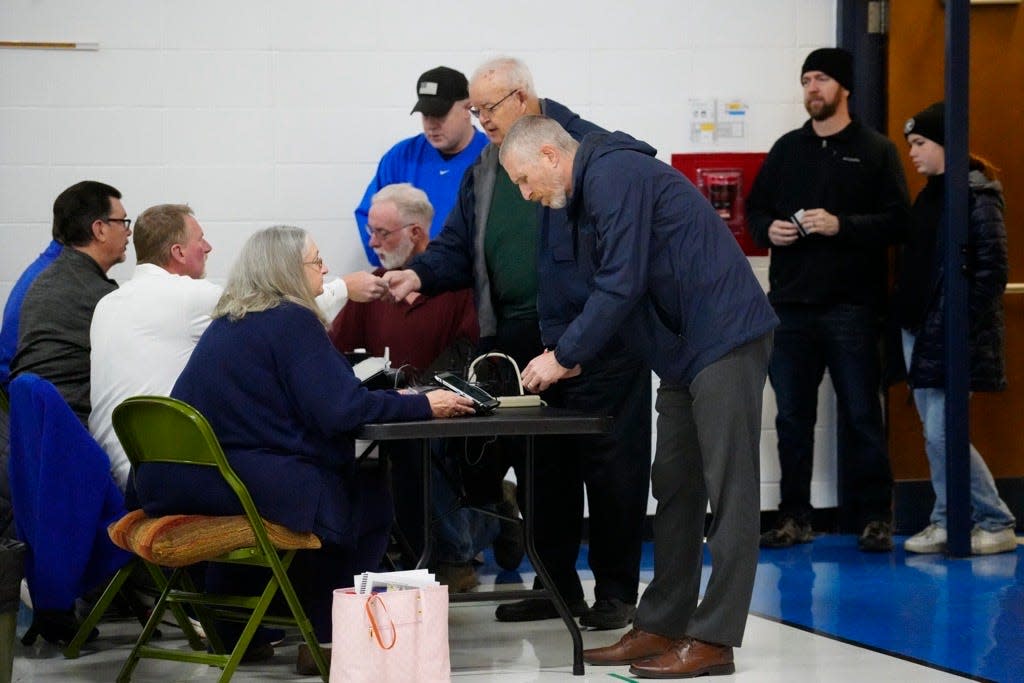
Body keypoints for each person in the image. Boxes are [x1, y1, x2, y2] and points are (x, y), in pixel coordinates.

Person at [498, 115, 777, 678]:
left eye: (525, 179)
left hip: (721, 334)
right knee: (674, 485)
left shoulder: (614, 173)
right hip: (679, 349)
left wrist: (565, 355)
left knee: (731, 490)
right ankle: (662, 624)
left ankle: (716, 637)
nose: (525, 194)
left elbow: (620, 280)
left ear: (551, 155)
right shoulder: (585, 196)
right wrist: (561, 347)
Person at [385, 56, 652, 630]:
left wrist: (579, 339)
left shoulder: (582, 148)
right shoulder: (486, 167)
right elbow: (457, 245)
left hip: (599, 336)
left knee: (612, 466)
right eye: (474, 111)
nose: (480, 120)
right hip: (522, 340)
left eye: (487, 109)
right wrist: (421, 274)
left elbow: (619, 256)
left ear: (523, 97)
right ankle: (555, 587)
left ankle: (615, 592)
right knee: (542, 470)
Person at [131, 225, 474, 672]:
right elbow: (341, 409)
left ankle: (238, 631)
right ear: (286, 270)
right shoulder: (289, 319)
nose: (327, 268)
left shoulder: (230, 320)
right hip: (228, 482)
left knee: (308, 490)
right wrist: (424, 405)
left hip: (175, 481)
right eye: (316, 260)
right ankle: (328, 642)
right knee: (367, 497)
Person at [747, 47, 911, 552]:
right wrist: (768, 230)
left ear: (843, 88)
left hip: (852, 309)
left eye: (821, 79)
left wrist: (843, 226)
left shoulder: (876, 150)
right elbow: (755, 213)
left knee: (863, 414)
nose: (812, 88)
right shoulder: (786, 150)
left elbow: (898, 221)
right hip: (791, 307)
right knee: (792, 419)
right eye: (806, 80)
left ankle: (874, 517)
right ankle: (795, 516)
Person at [330, 183, 502, 592]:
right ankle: (458, 542)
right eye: (371, 232)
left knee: (421, 452)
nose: (372, 243)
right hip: (386, 410)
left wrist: (422, 393)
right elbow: (337, 353)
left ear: (416, 234)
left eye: (382, 234)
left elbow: (468, 350)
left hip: (444, 413)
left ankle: (463, 544)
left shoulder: (459, 290)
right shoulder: (366, 290)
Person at [893, 102, 1017, 555]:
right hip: (919, 331)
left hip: (948, 334)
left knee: (945, 432)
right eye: (910, 145)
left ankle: (994, 518)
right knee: (935, 432)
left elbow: (990, 271)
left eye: (921, 143)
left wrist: (957, 327)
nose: (914, 154)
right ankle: (947, 519)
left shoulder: (975, 196)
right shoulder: (931, 192)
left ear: (947, 144)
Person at [89, 204, 221, 490]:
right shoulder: (189, 297)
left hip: (109, 473)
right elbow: (273, 317)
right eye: (200, 239)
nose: (208, 247)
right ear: (179, 252)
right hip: (157, 475)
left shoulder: (107, 304)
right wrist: (338, 289)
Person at [10, 180, 130, 423]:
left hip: (37, 427)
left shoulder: (45, 279)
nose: (129, 231)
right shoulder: (99, 296)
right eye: (123, 222)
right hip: (74, 429)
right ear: (100, 229)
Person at [354, 66, 489, 266]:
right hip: (407, 279)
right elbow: (369, 215)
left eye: (440, 115)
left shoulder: (492, 157)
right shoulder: (401, 157)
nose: (431, 125)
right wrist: (395, 260)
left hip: (471, 282)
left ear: (467, 109)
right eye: (426, 115)